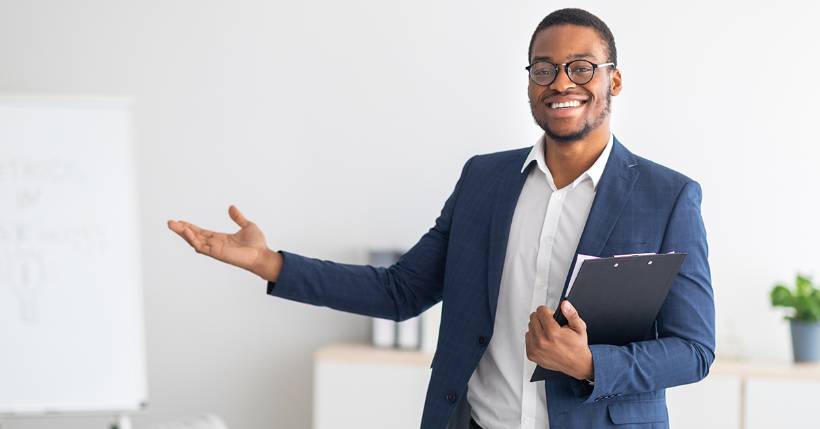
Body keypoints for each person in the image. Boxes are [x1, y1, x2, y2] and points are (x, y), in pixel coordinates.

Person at [168, 8, 714, 429]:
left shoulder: (668, 197)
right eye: (544, 69)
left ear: (613, 82)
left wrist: (591, 363)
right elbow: (401, 291)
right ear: (529, 82)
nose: (561, 83)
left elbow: (694, 350)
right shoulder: (484, 180)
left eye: (582, 68)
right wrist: (270, 263)